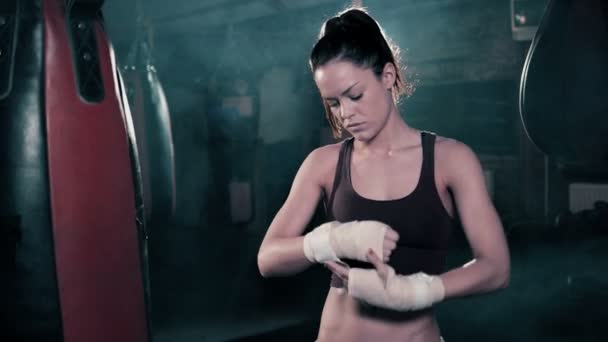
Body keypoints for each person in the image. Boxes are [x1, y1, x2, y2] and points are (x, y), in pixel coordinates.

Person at [257, 6, 510, 342]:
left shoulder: (451, 160)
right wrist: (330, 240)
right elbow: (268, 258)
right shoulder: (324, 164)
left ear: (387, 76)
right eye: (333, 103)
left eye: (355, 95)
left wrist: (417, 291)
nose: (346, 113)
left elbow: (496, 268)